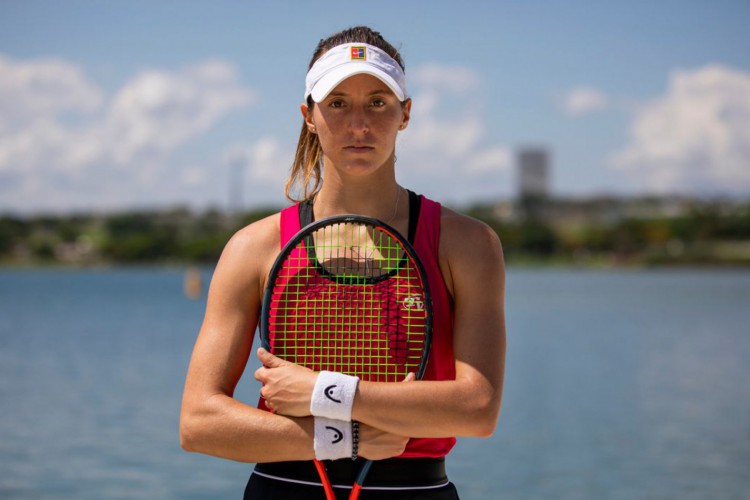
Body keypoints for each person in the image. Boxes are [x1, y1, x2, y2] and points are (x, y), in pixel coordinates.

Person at [180, 26, 506, 499]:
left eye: (378, 102)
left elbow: (478, 408)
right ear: (309, 116)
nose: (359, 124)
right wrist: (341, 437)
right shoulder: (253, 247)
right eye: (337, 103)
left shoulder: (467, 244)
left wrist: (325, 393)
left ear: (405, 113)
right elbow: (198, 421)